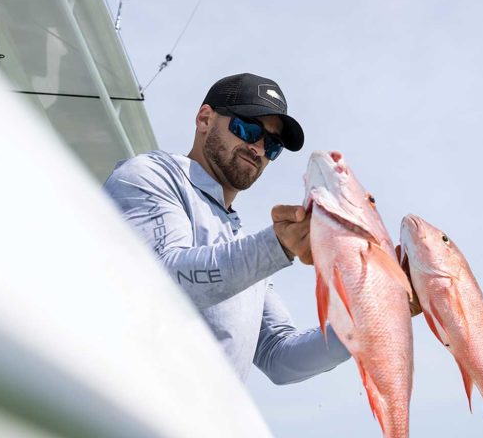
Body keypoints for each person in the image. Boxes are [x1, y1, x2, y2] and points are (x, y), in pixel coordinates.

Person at [103, 72, 351, 384]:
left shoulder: (242, 245)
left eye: (273, 145)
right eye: (247, 128)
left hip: (196, 431)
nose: (259, 149)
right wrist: (277, 247)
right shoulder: (148, 176)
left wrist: (365, 324)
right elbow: (162, 281)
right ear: (205, 119)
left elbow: (280, 356)